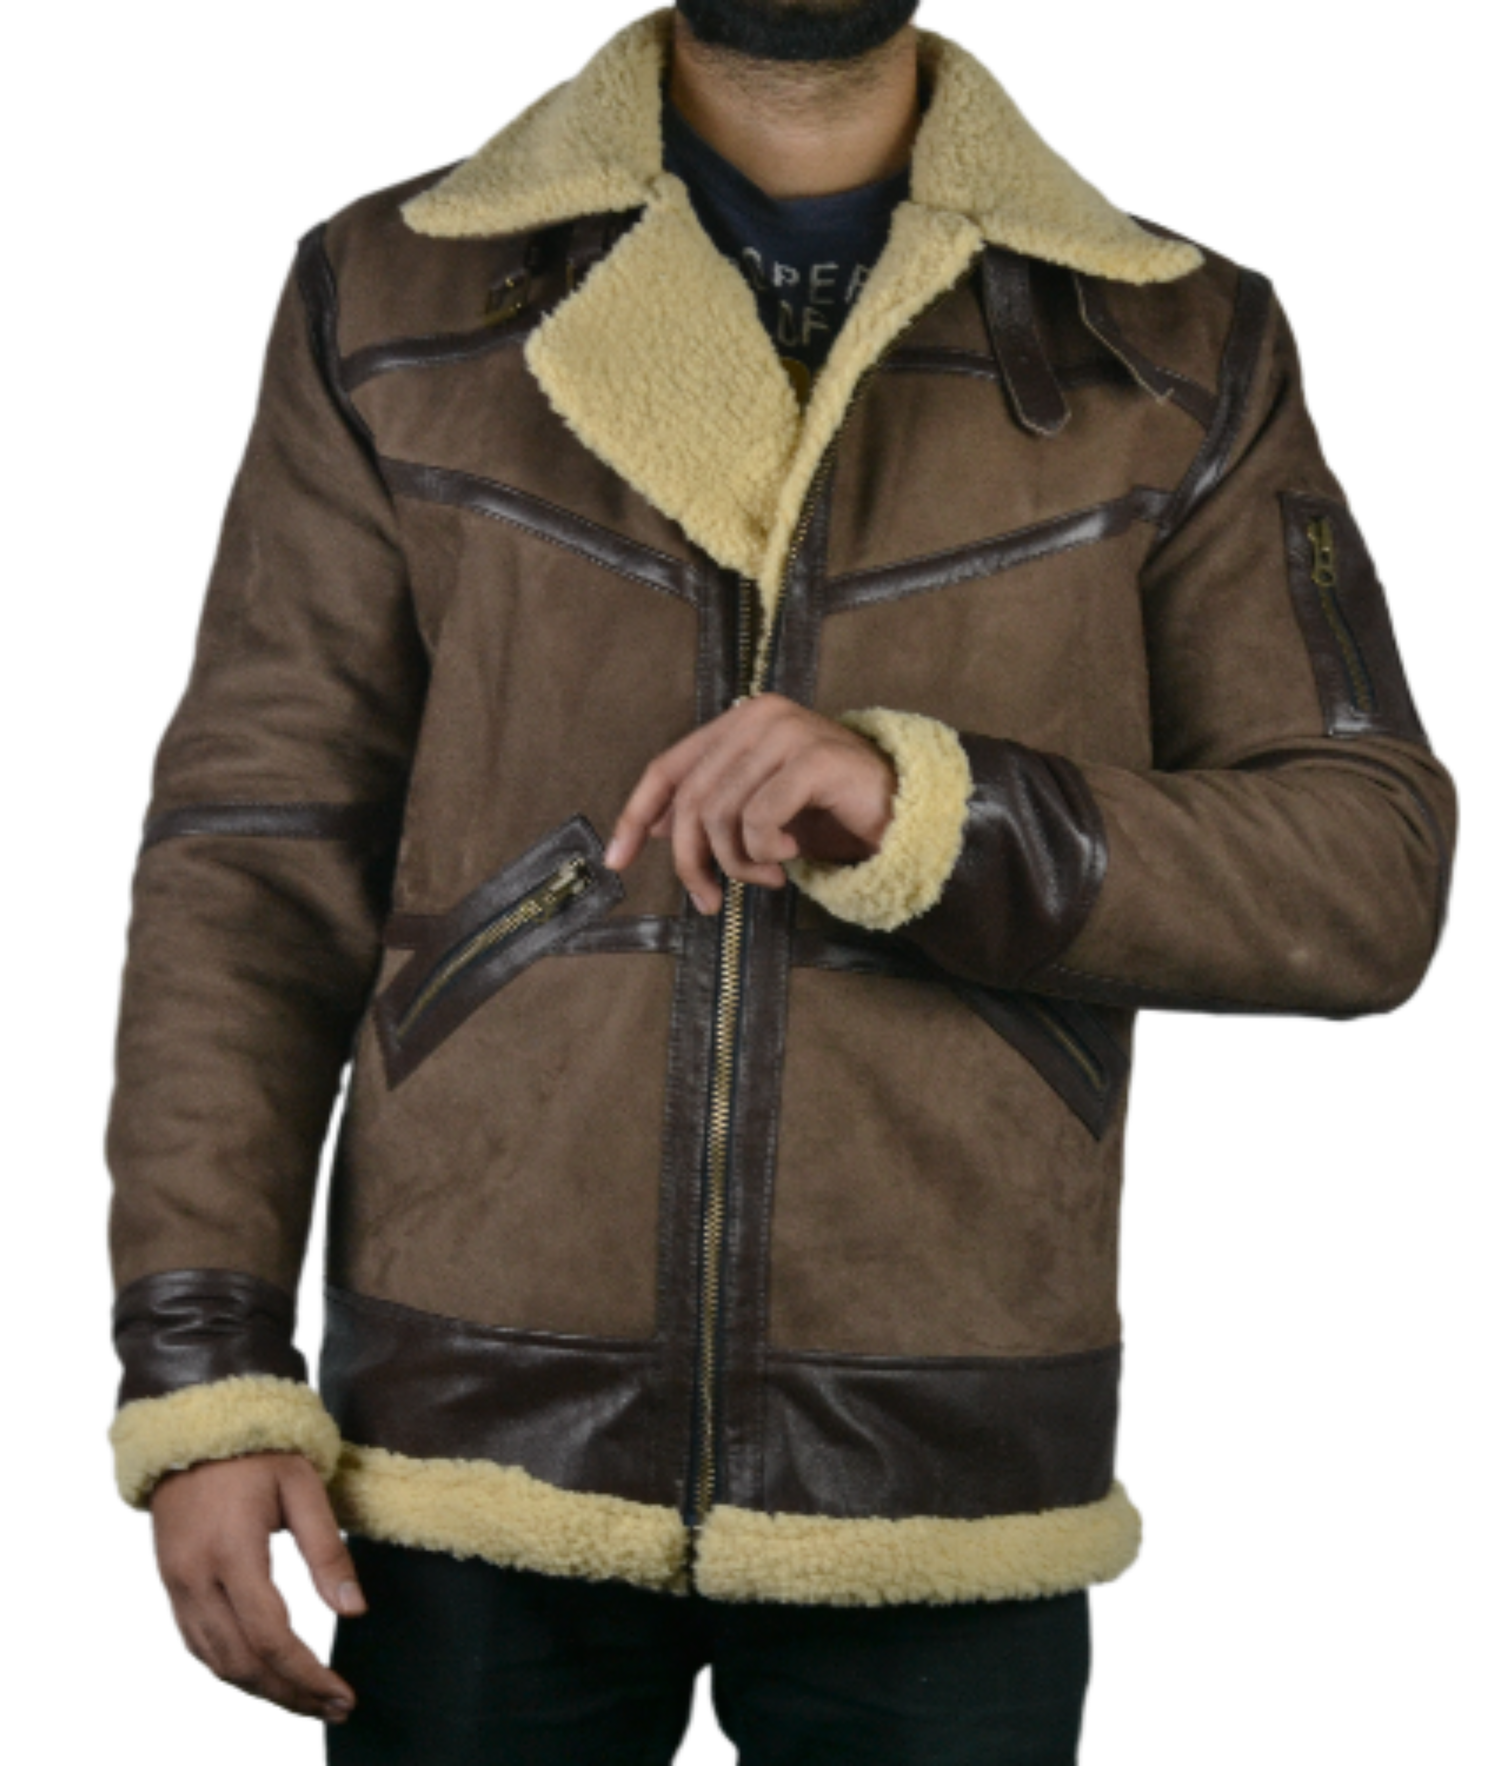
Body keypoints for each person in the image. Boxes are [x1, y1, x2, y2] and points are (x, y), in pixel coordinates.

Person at [103, 2, 1458, 1761]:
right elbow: (252, 858)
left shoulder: (1176, 338)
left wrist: (929, 810)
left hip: (946, 1453)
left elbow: (1367, 862)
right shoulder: (391, 294)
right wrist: (204, 1373)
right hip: (464, 1441)